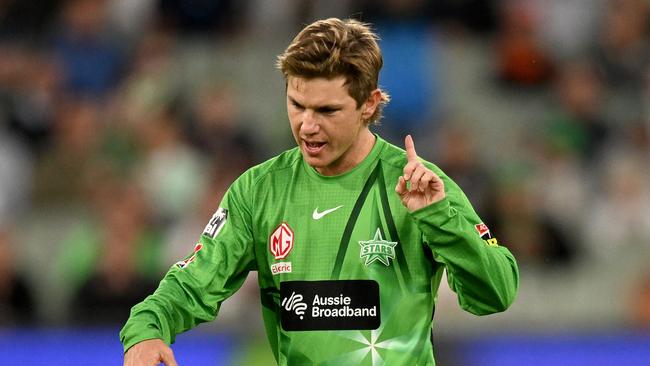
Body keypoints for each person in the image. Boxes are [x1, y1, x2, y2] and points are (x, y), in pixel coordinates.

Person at [120, 18, 519, 365]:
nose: (307, 126)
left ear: (369, 104)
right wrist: (146, 328)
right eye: (297, 105)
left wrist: (438, 219)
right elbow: (194, 282)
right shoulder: (259, 191)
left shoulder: (418, 184)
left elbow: (495, 293)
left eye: (327, 111)